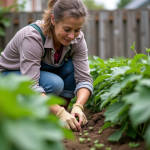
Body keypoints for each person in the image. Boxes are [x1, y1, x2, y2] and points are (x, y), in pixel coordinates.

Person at [0, 0, 93, 132]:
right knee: (54, 84)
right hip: (9, 77)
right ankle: (28, 117)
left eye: (77, 30)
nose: (72, 36)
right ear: (53, 20)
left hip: (38, 74)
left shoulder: (77, 39)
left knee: (71, 68)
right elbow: (31, 85)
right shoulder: (33, 36)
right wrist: (59, 111)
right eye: (67, 29)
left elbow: (84, 79)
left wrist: (79, 106)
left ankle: (60, 118)